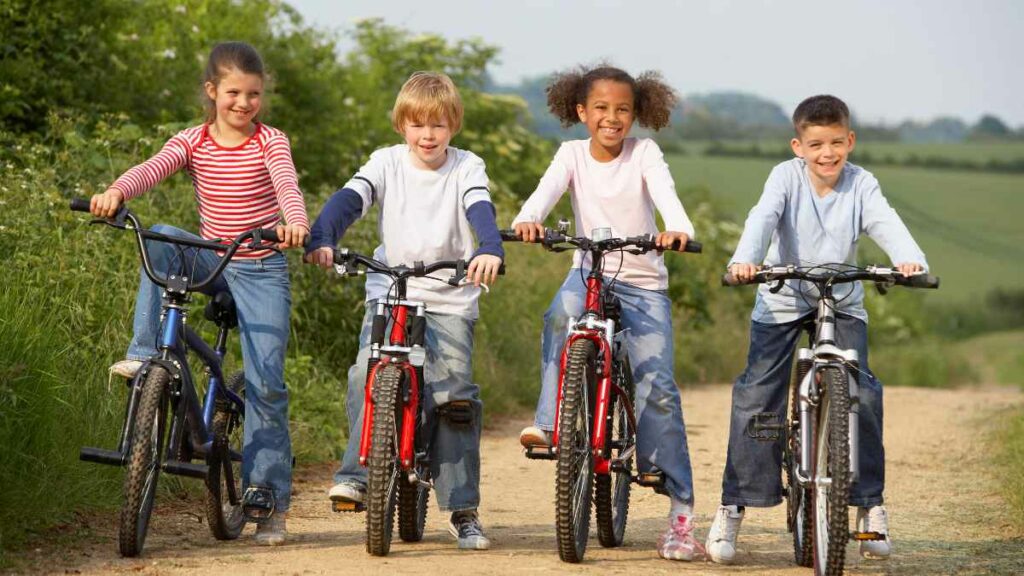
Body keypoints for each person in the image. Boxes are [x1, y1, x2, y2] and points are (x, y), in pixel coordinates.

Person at [88, 41, 309, 546]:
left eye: (253, 94)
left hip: (258, 265)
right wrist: (118, 192)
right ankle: (147, 354)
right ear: (212, 92)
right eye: (233, 92)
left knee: (267, 382)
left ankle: (266, 495)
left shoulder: (270, 141)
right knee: (161, 235)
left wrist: (294, 223)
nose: (243, 103)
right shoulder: (194, 140)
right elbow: (153, 167)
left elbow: (287, 186)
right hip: (212, 258)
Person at [705, 94, 928, 564]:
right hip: (782, 294)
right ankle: (734, 505)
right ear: (798, 146)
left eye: (835, 143)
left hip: (841, 296)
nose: (827, 153)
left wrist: (909, 260)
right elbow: (762, 216)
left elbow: (885, 221)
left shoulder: (862, 183)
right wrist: (745, 259)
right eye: (815, 144)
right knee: (756, 394)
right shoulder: (784, 177)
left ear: (850, 140)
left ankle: (869, 512)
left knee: (862, 393)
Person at [304, 71, 503, 551]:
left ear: (453, 125)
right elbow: (350, 201)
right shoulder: (386, 163)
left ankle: (462, 509)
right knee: (362, 375)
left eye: (437, 125)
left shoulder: (466, 166)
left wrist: (490, 247)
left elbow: (479, 209)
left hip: (451, 294)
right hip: (392, 292)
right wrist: (322, 236)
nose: (427, 135)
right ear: (402, 126)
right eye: (417, 125)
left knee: (453, 397)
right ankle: (356, 476)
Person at [510, 65, 702, 561]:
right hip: (589, 273)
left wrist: (676, 228)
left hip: (642, 284)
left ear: (636, 114)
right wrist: (529, 219)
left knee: (656, 384)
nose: (611, 119)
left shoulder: (645, 154)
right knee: (560, 316)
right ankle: (552, 421)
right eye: (601, 109)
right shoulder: (571, 154)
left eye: (622, 110)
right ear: (581, 112)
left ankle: (680, 512)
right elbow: (544, 194)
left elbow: (667, 198)